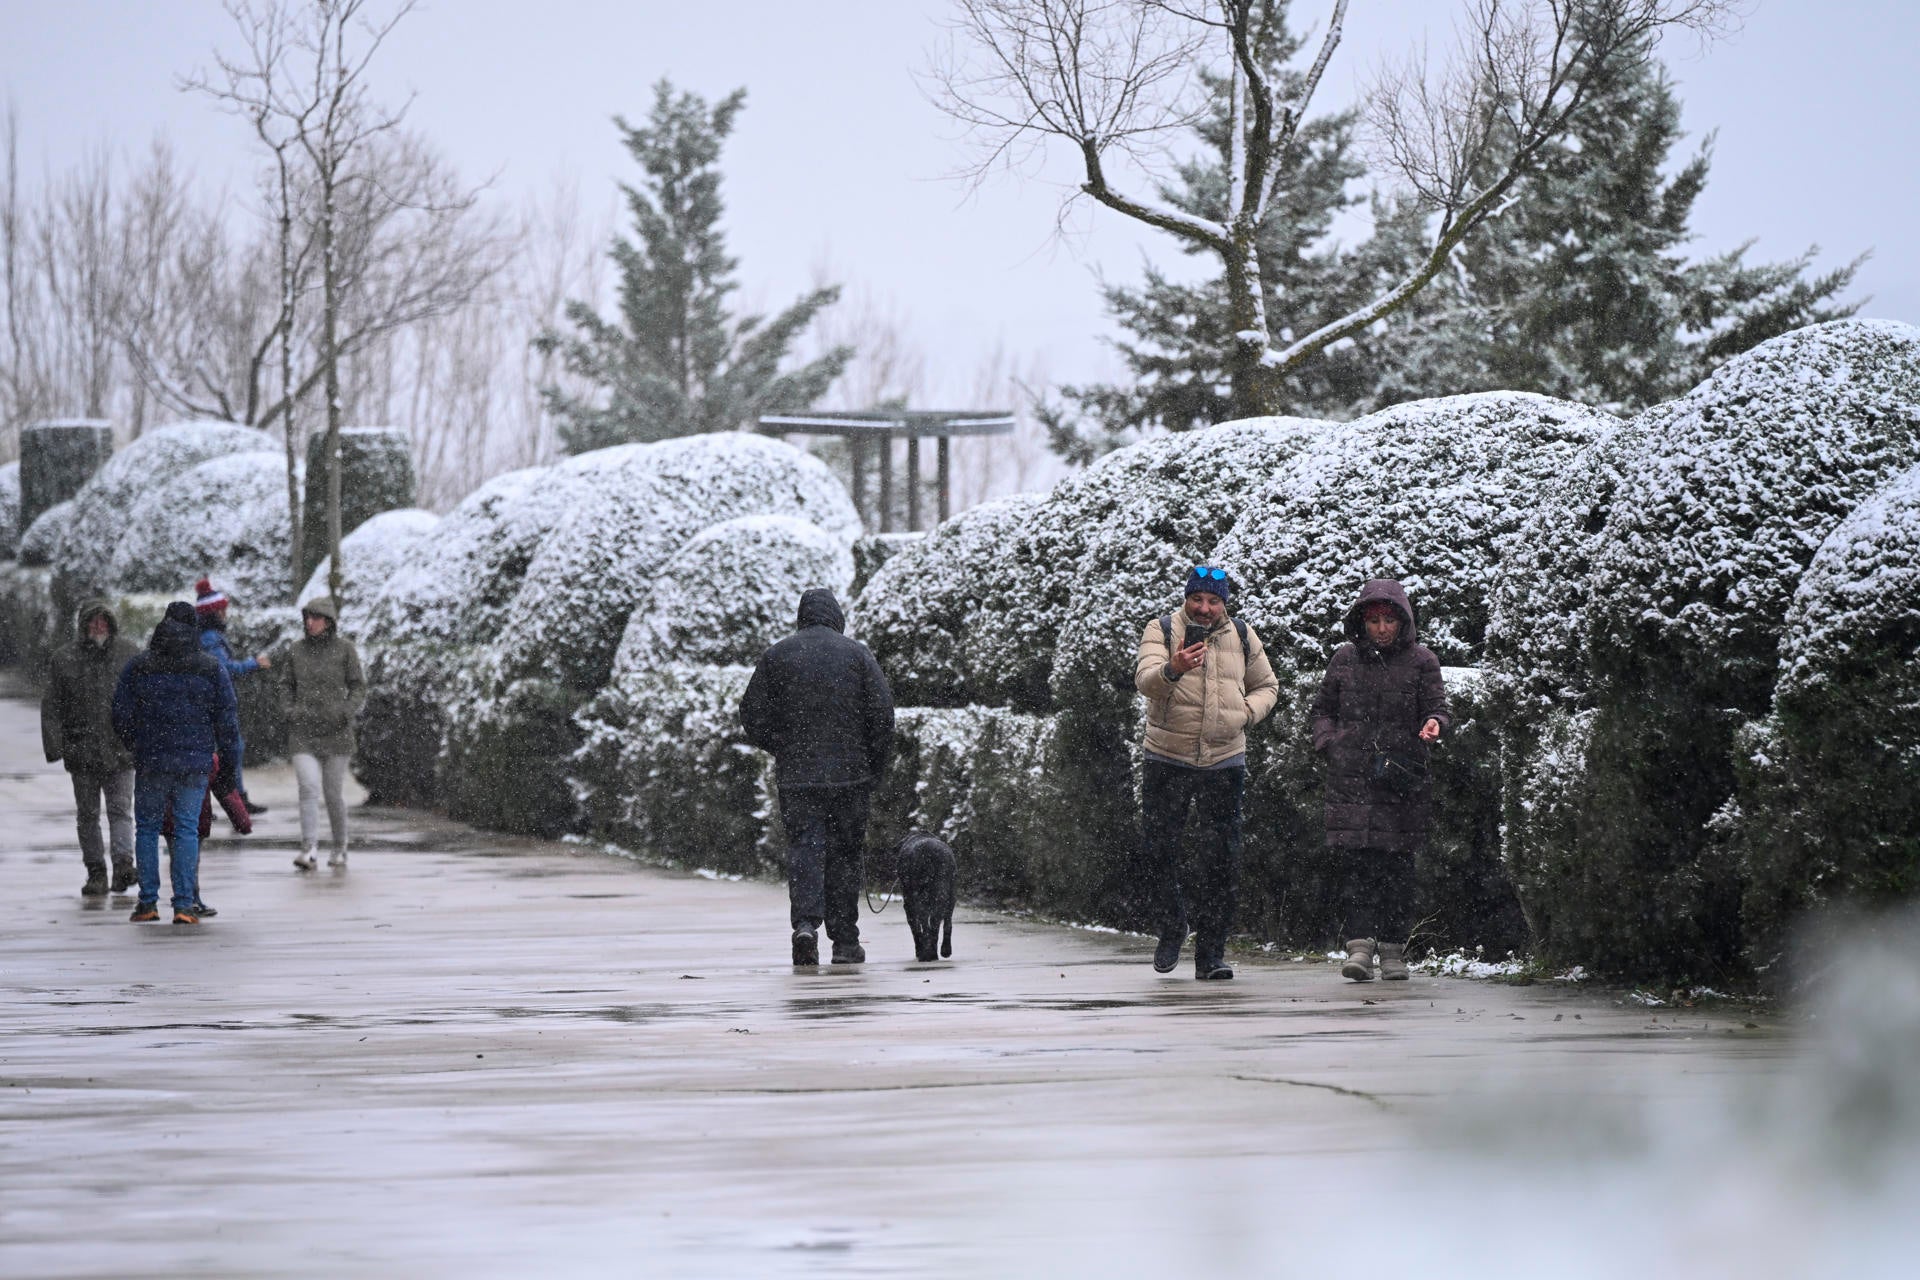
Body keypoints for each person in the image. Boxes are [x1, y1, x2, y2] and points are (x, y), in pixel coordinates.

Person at [1133, 564, 1280, 980]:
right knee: (1157, 849)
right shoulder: (1161, 628)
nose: (1204, 608)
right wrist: (1174, 667)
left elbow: (1268, 685)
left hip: (1224, 758)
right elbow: (1145, 679)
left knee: (1221, 860)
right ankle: (1172, 924)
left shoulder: (1244, 636)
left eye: (1213, 601)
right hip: (1167, 755)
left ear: (1224, 603)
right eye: (1197, 599)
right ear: (1187, 598)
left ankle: (1211, 956)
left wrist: (1245, 715)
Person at [739, 588, 895, 967]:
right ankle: (844, 941)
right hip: (850, 777)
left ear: (802, 617)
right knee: (844, 854)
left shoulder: (777, 655)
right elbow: (882, 716)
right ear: (836, 617)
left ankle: (805, 926)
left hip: (798, 778)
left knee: (805, 851)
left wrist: (783, 746)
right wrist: (874, 766)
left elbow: (752, 715)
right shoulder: (857, 654)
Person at [1309, 579, 1450, 982]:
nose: (1382, 629)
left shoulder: (1423, 661)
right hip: (1350, 782)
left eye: (1389, 620)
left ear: (1402, 621)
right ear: (1362, 623)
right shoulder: (1344, 660)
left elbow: (1438, 708)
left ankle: (1393, 952)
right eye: (1374, 621)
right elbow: (1322, 709)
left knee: (1397, 871)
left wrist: (1433, 725)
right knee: (1356, 869)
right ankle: (1358, 949)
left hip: (1400, 783)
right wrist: (1330, 742)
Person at [112, 601, 242, 926]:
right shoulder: (210, 667)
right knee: (185, 829)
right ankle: (184, 904)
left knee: (147, 828)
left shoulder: (140, 666)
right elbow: (227, 717)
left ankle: (147, 903)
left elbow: (120, 712)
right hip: (194, 761)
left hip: (152, 760)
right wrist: (227, 760)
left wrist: (135, 742)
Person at [41, 600, 141, 897]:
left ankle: (124, 865)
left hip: (120, 749)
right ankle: (96, 872)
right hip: (81, 751)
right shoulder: (64, 659)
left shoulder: (128, 654)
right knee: (88, 815)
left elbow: (142, 699)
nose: (98, 627)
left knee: (121, 811)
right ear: (84, 626)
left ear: (110, 624)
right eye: (93, 622)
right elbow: (52, 706)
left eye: (103, 621)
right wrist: (56, 746)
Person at [283, 596, 365, 870]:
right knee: (308, 788)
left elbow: (358, 686)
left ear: (328, 621)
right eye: (307, 617)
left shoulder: (345, 650)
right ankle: (309, 849)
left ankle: (340, 847)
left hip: (337, 733)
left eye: (316, 617)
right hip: (303, 733)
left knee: (333, 794)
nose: (310, 622)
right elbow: (286, 685)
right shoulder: (296, 650)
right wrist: (290, 710)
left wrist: (345, 711)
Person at [194, 575, 270, 815]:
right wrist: (253, 664)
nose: (226, 615)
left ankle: (226, 802)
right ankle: (236, 803)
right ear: (214, 613)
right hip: (217, 705)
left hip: (210, 704)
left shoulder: (205, 638)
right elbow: (224, 670)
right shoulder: (211, 639)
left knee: (223, 751)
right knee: (229, 750)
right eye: (222, 611)